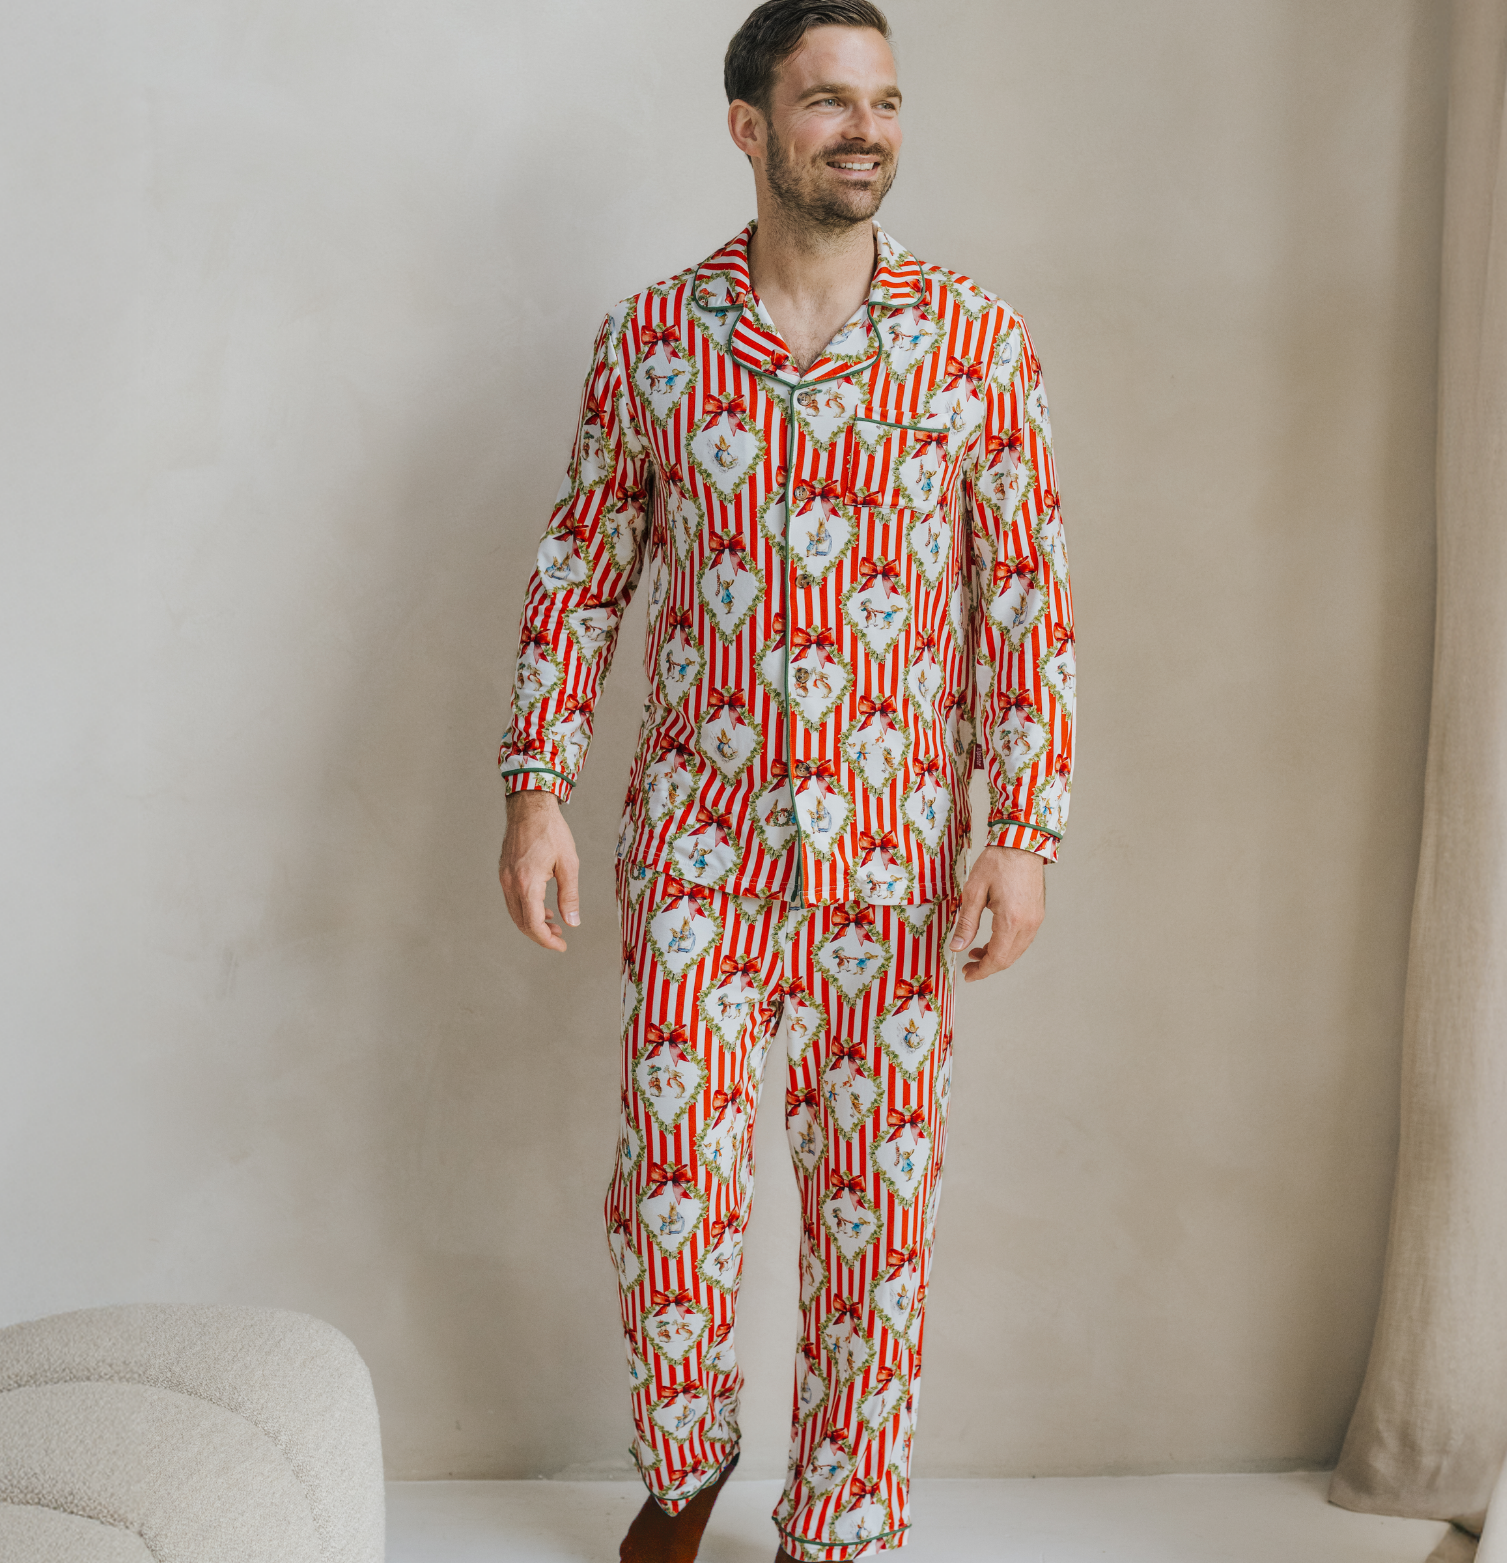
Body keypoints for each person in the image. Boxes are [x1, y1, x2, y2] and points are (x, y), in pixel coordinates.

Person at [497, 3, 1075, 1557]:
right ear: (748, 126)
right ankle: (685, 1454)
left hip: (893, 860)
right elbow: (581, 574)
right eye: (827, 101)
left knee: (876, 1211)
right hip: (701, 845)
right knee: (671, 1181)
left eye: (882, 100)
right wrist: (536, 785)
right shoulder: (652, 341)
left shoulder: (974, 343)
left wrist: (1020, 828)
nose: (864, 129)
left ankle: (841, 1518)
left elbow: (1023, 600)